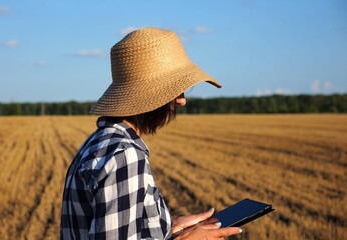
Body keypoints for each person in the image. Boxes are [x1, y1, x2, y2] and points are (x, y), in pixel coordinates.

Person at [60, 27, 242, 239]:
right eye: (176, 90)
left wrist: (167, 230)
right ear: (150, 96)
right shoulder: (124, 156)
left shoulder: (96, 142)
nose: (182, 100)